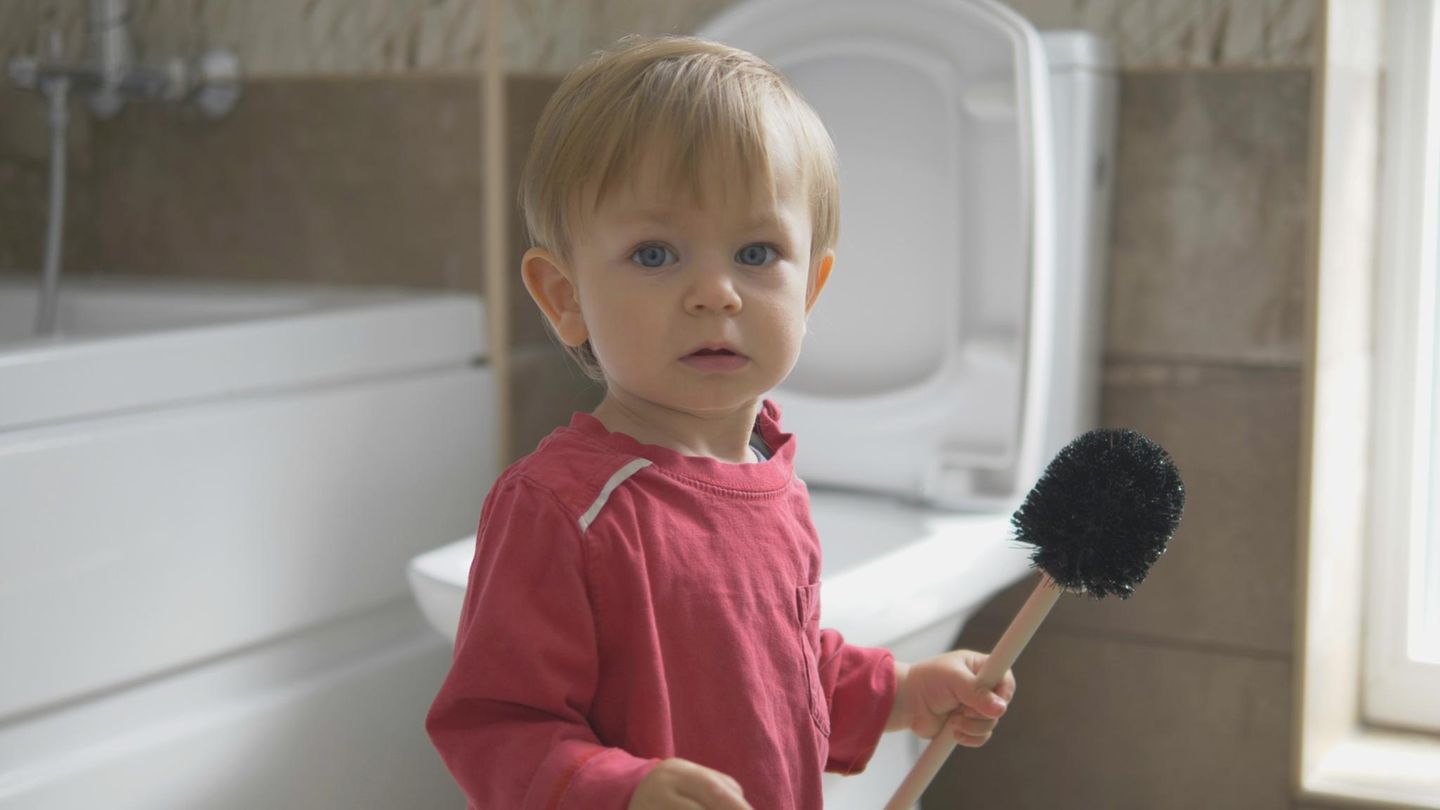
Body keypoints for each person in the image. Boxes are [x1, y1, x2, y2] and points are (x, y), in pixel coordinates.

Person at [425, 33, 1016, 810]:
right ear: (565, 297)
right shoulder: (563, 509)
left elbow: (777, 668)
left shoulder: (771, 479)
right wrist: (618, 791)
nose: (716, 293)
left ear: (810, 288)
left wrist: (895, 693)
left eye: (756, 252)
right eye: (655, 255)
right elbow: (493, 723)